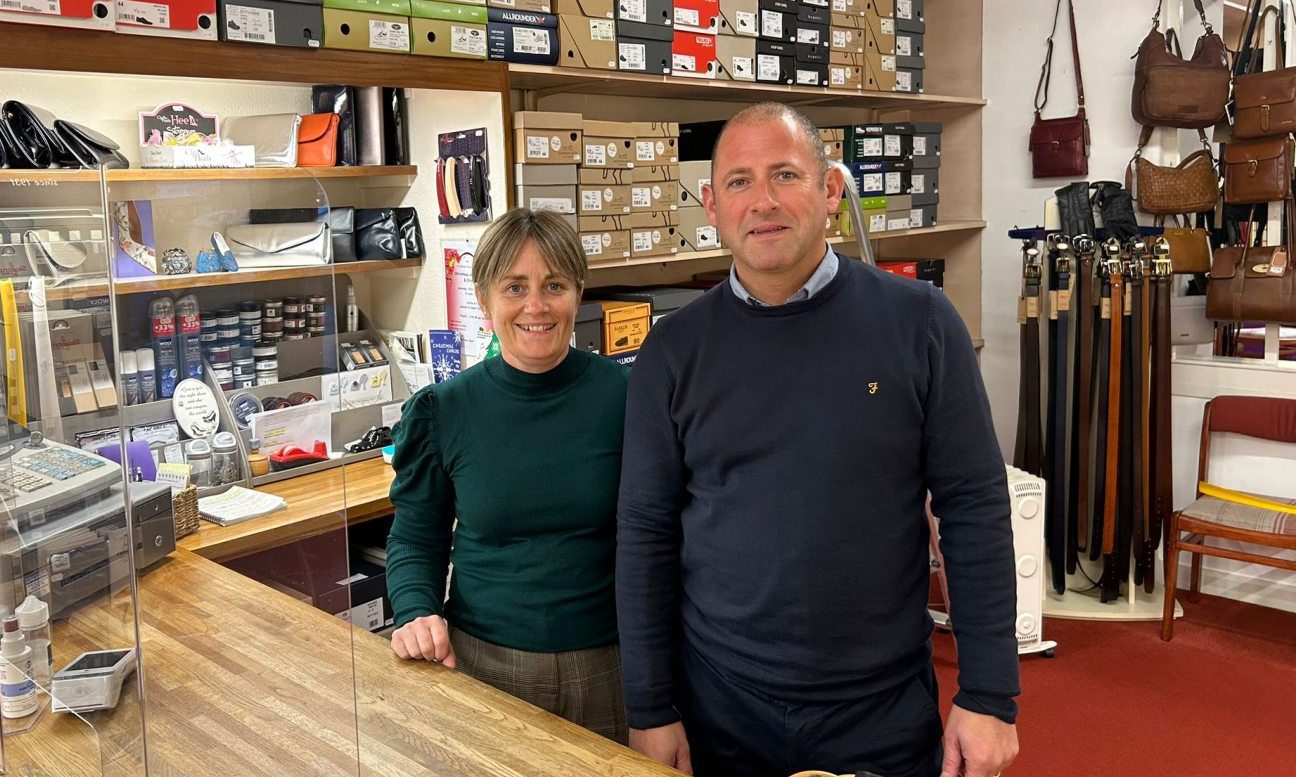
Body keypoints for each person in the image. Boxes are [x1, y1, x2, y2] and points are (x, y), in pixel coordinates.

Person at [615, 103, 1021, 777]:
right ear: (712, 205)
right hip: (721, 705)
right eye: (739, 182)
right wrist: (650, 706)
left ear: (831, 191)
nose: (763, 200)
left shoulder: (921, 323)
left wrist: (989, 693)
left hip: (879, 710)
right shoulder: (673, 350)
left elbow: (974, 506)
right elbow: (645, 533)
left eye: (785, 174)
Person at [386, 208, 629, 743]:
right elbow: (414, 537)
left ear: (579, 291)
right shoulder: (444, 410)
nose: (535, 306)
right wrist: (416, 609)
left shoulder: (628, 397)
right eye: (514, 287)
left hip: (612, 669)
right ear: (483, 297)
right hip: (482, 667)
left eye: (554, 285)